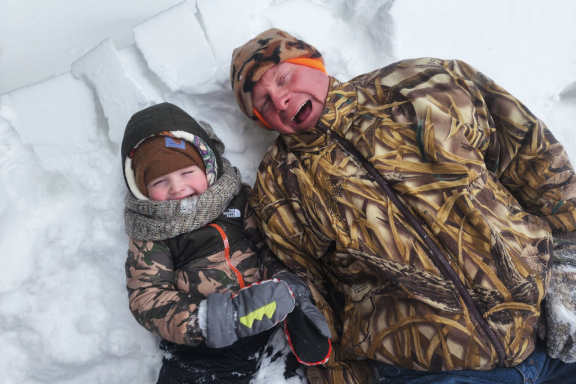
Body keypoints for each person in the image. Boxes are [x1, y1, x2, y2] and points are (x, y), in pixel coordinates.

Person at [229, 28, 576, 384]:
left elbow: (533, 160)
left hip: (553, 323)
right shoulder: (280, 186)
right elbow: (312, 298)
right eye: (265, 103)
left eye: (284, 78)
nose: (281, 100)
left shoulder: (419, 86)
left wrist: (569, 265)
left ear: (313, 62)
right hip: (436, 371)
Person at [121, 102, 331, 383]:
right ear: (141, 189)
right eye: (160, 181)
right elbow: (146, 297)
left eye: (186, 173)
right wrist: (211, 320)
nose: (177, 187)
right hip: (203, 346)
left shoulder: (235, 199)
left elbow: (268, 247)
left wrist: (291, 291)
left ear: (207, 166)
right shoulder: (151, 230)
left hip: (268, 323)